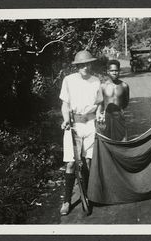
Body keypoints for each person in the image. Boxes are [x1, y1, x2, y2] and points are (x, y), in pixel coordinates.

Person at [59, 50, 103, 215]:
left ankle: (88, 195)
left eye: (88, 63)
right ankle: (66, 200)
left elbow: (99, 104)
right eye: (82, 64)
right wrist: (65, 119)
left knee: (88, 161)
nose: (85, 67)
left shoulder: (96, 81)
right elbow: (65, 105)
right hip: (74, 126)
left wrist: (99, 114)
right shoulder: (68, 80)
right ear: (77, 66)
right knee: (71, 163)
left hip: (90, 125)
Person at [97, 60, 129, 141]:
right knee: (108, 141)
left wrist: (119, 112)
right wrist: (100, 115)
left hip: (119, 116)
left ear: (119, 71)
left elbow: (126, 102)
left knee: (122, 140)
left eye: (116, 70)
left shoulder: (124, 86)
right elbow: (100, 103)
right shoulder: (103, 86)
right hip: (107, 116)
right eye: (112, 71)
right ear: (108, 71)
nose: (114, 73)